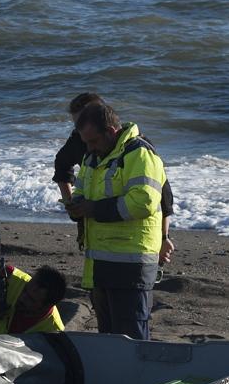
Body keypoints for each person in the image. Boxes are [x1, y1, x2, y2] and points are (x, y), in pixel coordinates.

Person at [65, 103, 165, 341]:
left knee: (131, 339)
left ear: (111, 131)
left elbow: (144, 201)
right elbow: (81, 191)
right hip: (100, 262)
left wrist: (94, 208)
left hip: (131, 262)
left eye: (93, 141)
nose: (89, 148)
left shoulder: (139, 153)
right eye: (86, 142)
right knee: (108, 338)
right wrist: (76, 206)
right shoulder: (92, 157)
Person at [52, 93, 175, 266]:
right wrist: (72, 204)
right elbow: (61, 165)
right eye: (77, 123)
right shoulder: (78, 140)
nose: (81, 127)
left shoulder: (135, 148)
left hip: (132, 238)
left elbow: (161, 192)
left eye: (86, 118)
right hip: (97, 232)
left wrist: (164, 237)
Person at [0, 264, 67, 335]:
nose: (22, 297)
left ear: (46, 307)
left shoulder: (53, 332)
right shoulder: (8, 276)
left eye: (30, 299)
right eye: (25, 290)